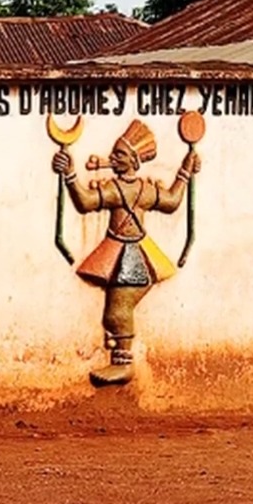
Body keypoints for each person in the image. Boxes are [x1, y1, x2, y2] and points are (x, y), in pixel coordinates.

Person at [51, 119, 199, 386]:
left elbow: (86, 201)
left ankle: (124, 363)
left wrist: (71, 176)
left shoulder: (121, 190)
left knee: (118, 312)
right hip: (124, 250)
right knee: (117, 310)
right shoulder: (138, 189)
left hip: (131, 256)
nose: (113, 158)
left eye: (119, 154)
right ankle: (118, 344)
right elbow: (172, 200)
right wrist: (184, 174)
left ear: (132, 160)